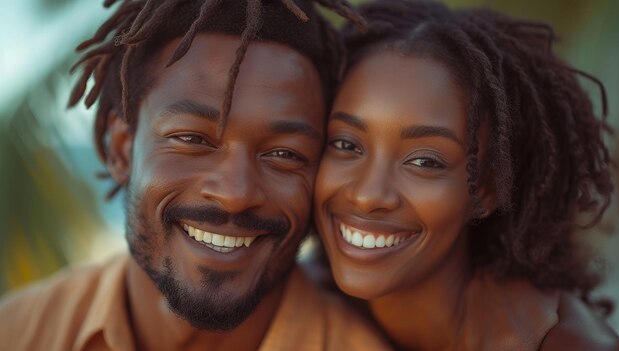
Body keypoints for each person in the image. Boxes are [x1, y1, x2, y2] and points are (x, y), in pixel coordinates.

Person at [0, 1, 393, 350]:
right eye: (192, 139)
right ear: (122, 149)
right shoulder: (18, 332)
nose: (235, 193)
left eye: (283, 154)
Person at [313, 0, 619, 350]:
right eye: (346, 144)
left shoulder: (566, 344)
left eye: (425, 162)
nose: (368, 194)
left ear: (488, 189)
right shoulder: (295, 305)